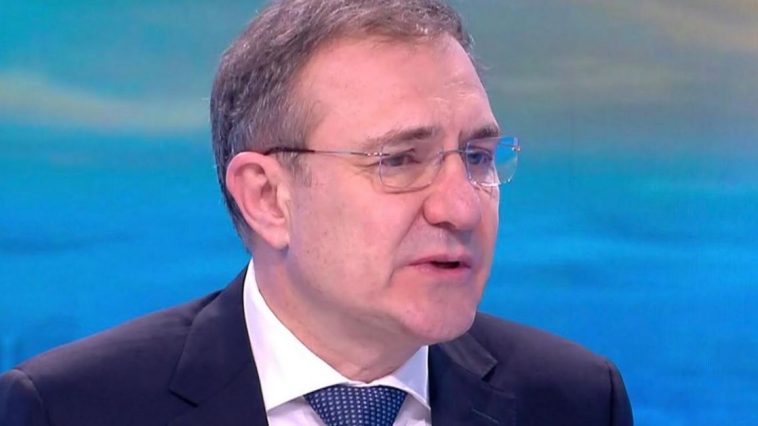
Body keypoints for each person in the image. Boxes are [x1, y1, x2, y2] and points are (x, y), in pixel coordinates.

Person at [0, 0, 633, 425]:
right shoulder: (68, 409)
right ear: (266, 198)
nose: (462, 207)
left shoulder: (576, 401)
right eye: (399, 160)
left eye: (477, 156)